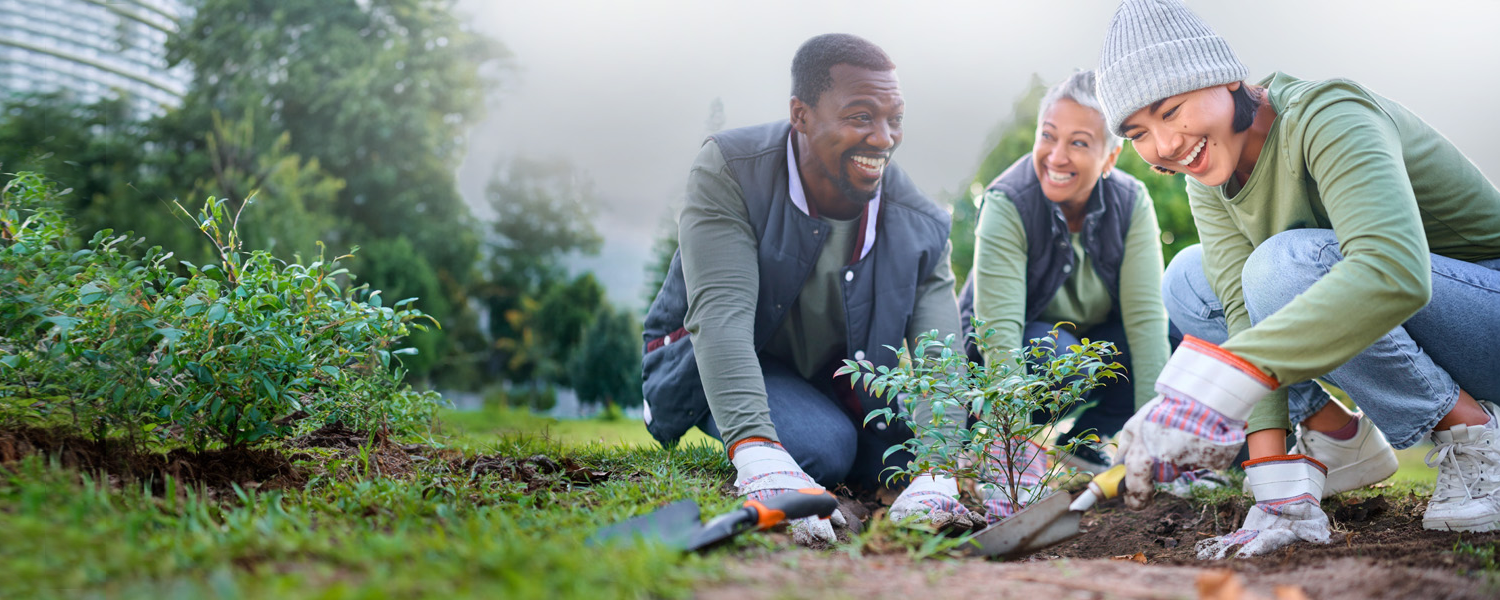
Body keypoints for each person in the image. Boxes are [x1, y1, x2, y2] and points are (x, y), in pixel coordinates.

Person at [1095, 0, 1500, 559]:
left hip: (1484, 310)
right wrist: (1273, 480)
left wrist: (1219, 384)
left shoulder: (1328, 113)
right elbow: (1240, 313)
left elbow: (1394, 271)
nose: (1164, 147)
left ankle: (1475, 436)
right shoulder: (1208, 179)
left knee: (1283, 267)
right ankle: (1335, 440)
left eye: (1171, 111)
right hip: (1416, 321)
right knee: (1190, 280)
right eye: (1139, 132)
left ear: (1226, 77)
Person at [641, 33, 977, 545]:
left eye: (895, 118)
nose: (884, 137)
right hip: (729, 354)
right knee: (824, 447)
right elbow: (722, 315)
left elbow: (941, 357)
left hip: (834, 379)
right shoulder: (731, 169)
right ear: (800, 114)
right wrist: (758, 453)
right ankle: (730, 418)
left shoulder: (921, 222)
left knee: (899, 459)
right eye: (861, 116)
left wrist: (936, 473)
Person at [958, 70, 1170, 476]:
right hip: (1008, 355)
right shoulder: (1008, 202)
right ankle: (991, 441)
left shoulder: (1131, 202)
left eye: (1078, 143)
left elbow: (1146, 322)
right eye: (1048, 135)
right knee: (1065, 360)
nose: (1056, 156)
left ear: (1109, 158)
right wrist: (1012, 446)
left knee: (1172, 338)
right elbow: (998, 333)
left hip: (1084, 342)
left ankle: (1090, 442)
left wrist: (1151, 442)